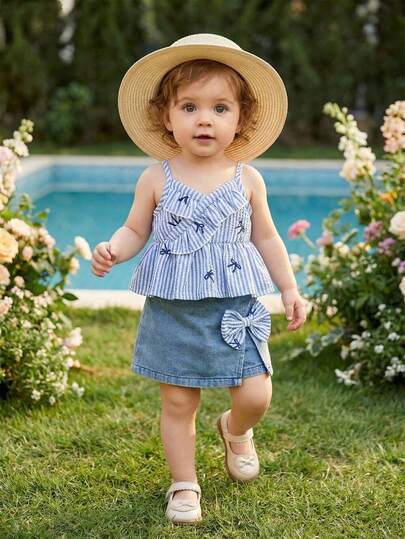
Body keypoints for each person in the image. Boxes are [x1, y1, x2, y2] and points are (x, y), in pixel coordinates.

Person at [91, 33, 307, 525]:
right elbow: (135, 229)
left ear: (241, 119)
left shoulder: (248, 179)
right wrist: (114, 249)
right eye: (189, 107)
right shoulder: (156, 177)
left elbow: (267, 238)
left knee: (256, 394)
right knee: (177, 401)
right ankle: (184, 483)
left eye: (219, 108)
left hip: (235, 309)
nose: (204, 119)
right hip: (174, 311)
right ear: (166, 118)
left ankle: (236, 428)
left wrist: (290, 288)